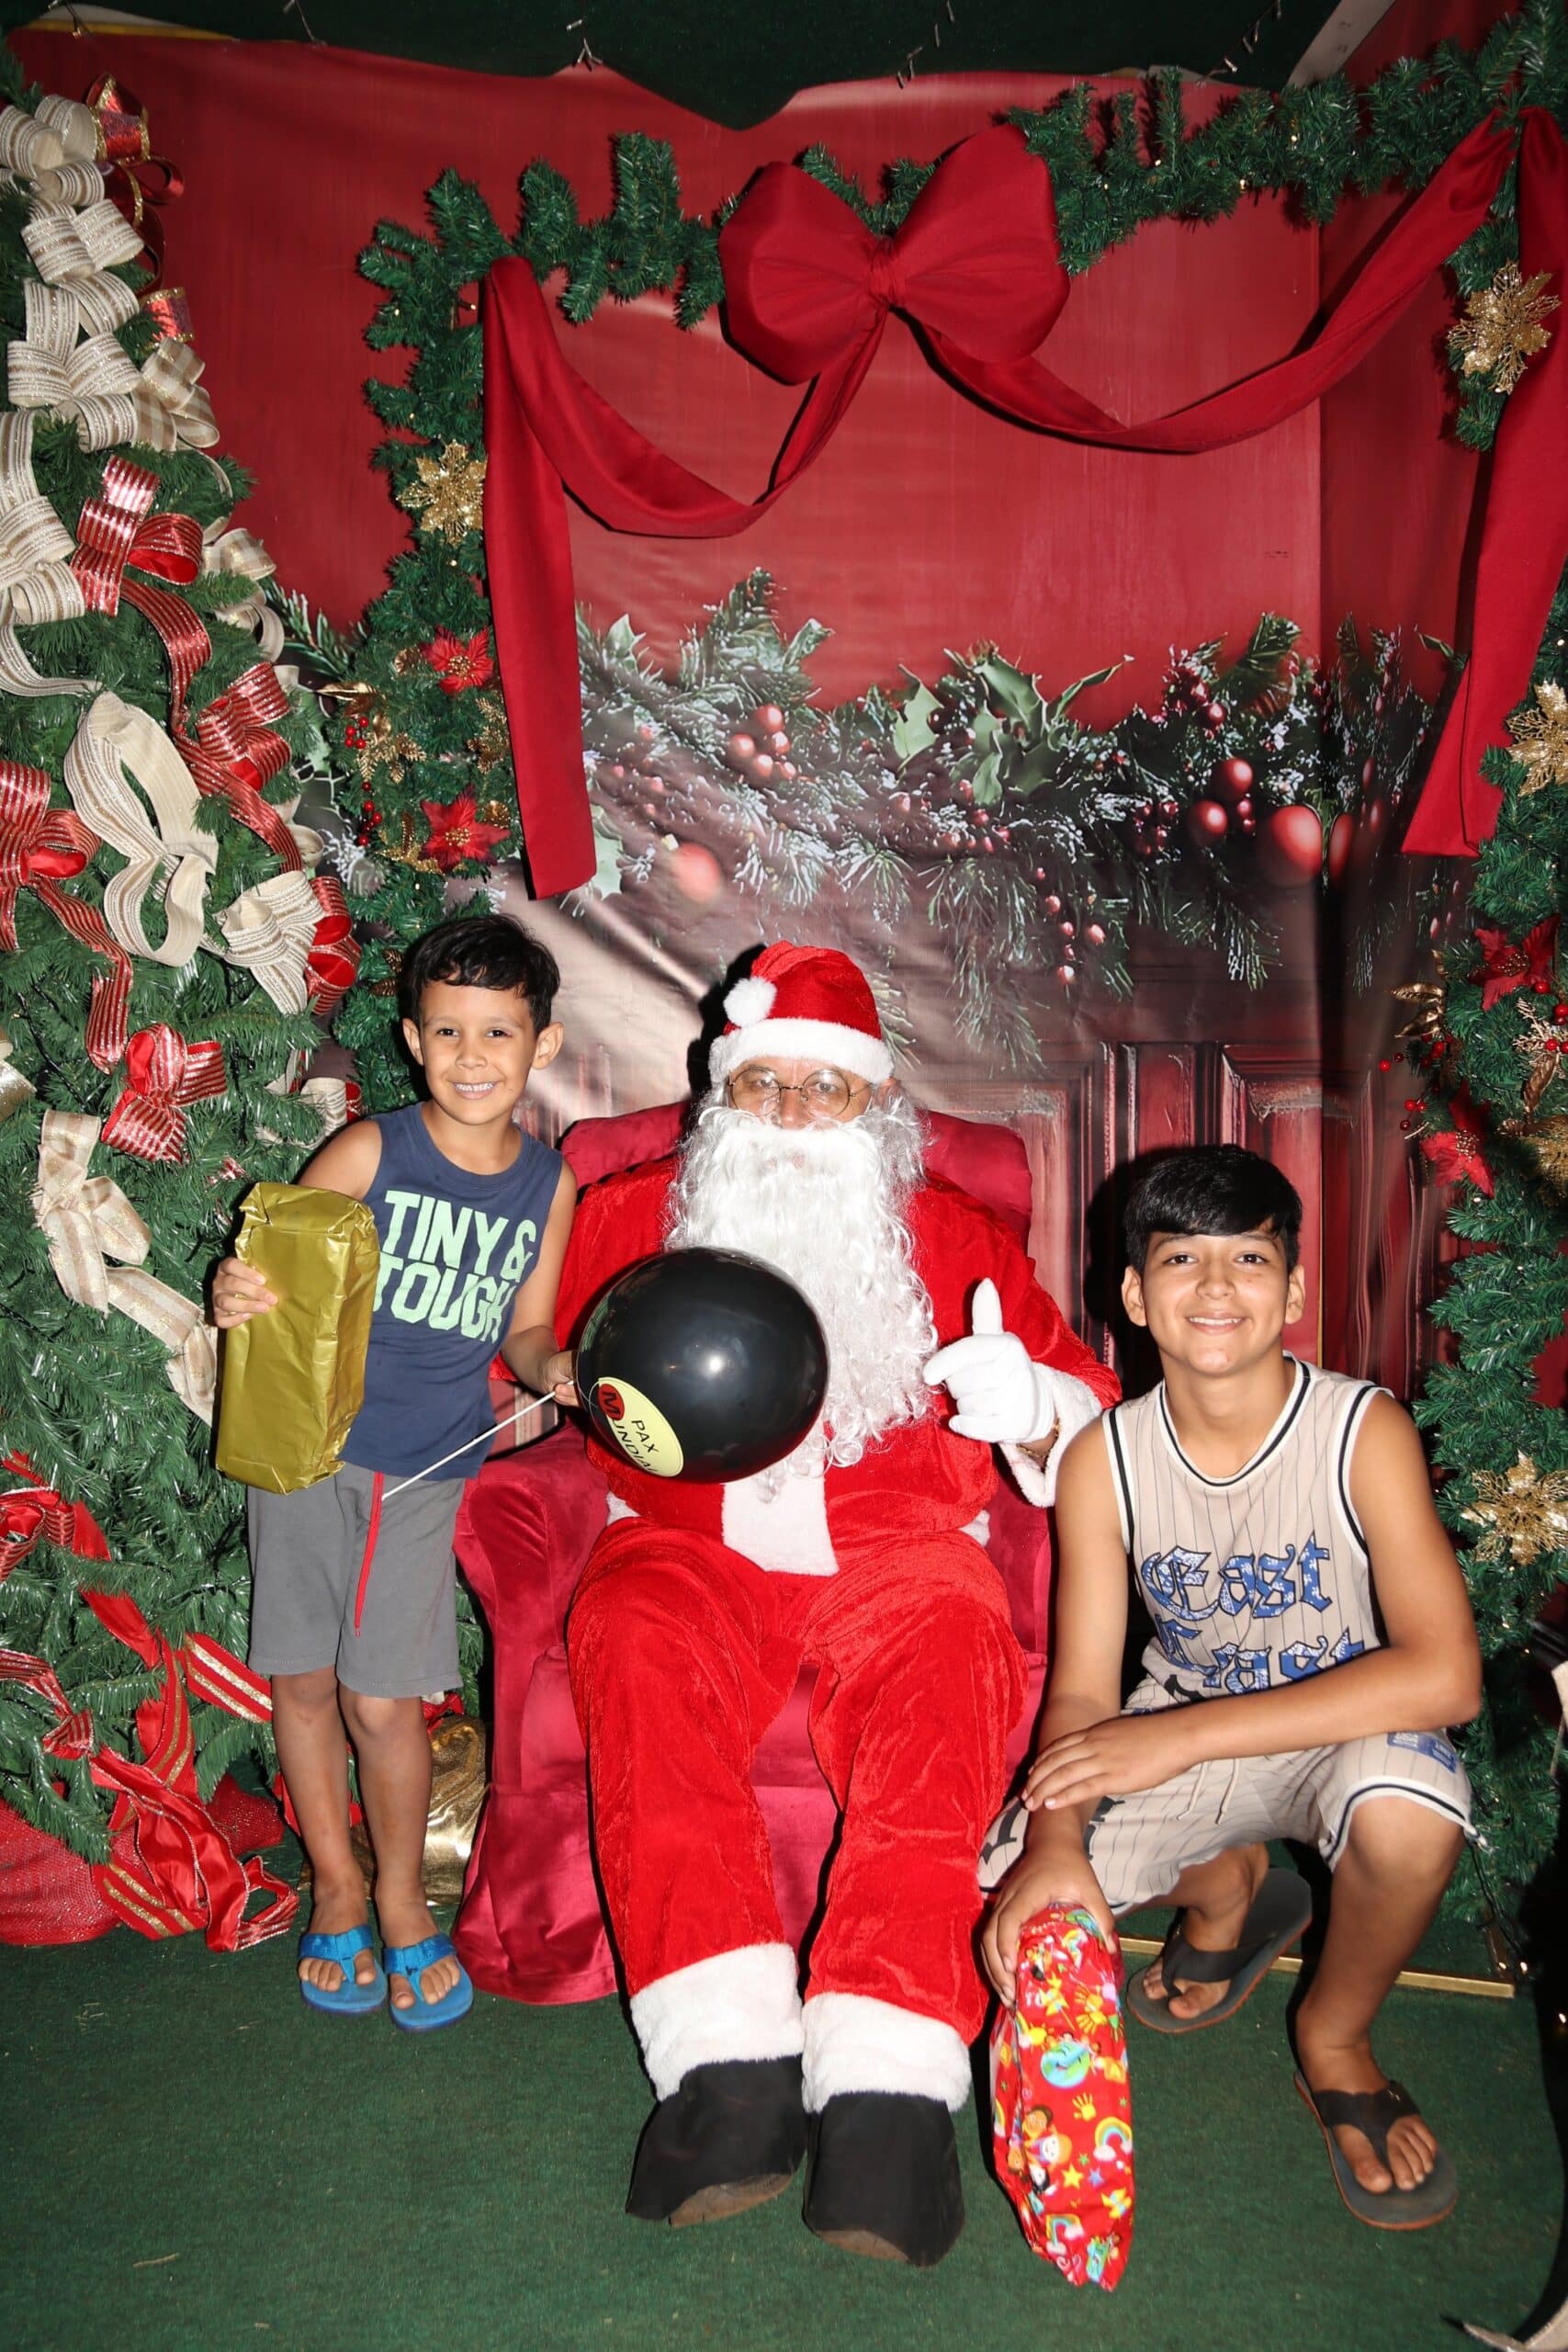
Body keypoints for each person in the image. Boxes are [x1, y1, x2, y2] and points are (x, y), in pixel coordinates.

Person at [556, 941, 1119, 2265]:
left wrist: (1031, 1404)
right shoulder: (631, 1218)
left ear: (876, 1104)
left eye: (828, 1088)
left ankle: (886, 2092)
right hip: (687, 1541)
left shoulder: (957, 1239)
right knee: (630, 1638)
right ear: (721, 1094)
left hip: (899, 1549)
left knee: (950, 1662)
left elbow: (1089, 1409)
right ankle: (726, 2071)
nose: (795, 1115)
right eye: (765, 1085)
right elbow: (536, 1365)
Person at [980, 1144, 1481, 2231]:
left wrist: (1186, 1737)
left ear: (1293, 1291)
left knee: (1409, 1810)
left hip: (1349, 1727)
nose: (1215, 1285)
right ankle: (1227, 1882)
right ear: (1133, 1294)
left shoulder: (1362, 1431)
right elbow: (1083, 1693)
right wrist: (1055, 1843)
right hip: (1184, 1729)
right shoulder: (1103, 1459)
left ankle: (1335, 2037)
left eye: (1248, 1258)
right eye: (1181, 1259)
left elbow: (1446, 1675)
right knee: (1011, 1894)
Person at [213, 914, 576, 2029]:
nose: (473, 1055)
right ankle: (337, 1885)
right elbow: (270, 1282)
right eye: (449, 1030)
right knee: (302, 1680)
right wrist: (235, 1293)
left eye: (499, 1032)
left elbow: (526, 1332)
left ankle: (403, 1898)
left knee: (381, 1697)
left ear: (542, 1046)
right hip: (304, 1452)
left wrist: (556, 1367)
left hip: (422, 1468)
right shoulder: (372, 1151)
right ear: (414, 1040)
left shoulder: (548, 1183)